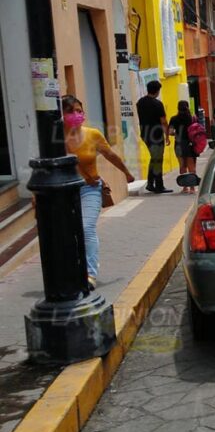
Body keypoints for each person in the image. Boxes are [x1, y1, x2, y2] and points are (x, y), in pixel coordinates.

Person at [61, 95, 135, 290]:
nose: (76, 115)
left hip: (90, 188)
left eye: (79, 110)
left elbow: (110, 155)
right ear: (61, 115)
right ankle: (73, 270)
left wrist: (126, 173)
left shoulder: (92, 134)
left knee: (86, 228)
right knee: (69, 233)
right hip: (64, 192)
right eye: (70, 111)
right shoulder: (55, 138)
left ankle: (90, 274)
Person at [136, 80, 172, 193]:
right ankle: (159, 185)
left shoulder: (140, 102)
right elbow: (163, 122)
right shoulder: (158, 104)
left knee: (154, 158)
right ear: (157, 91)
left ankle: (151, 184)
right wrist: (167, 136)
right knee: (158, 160)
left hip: (145, 134)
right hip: (156, 135)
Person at [168, 101, 198, 194]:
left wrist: (176, 133)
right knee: (191, 166)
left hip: (179, 144)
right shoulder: (192, 118)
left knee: (182, 166)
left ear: (178, 108)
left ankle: (185, 187)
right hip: (190, 143)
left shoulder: (173, 119)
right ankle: (192, 188)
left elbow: (170, 132)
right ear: (187, 107)